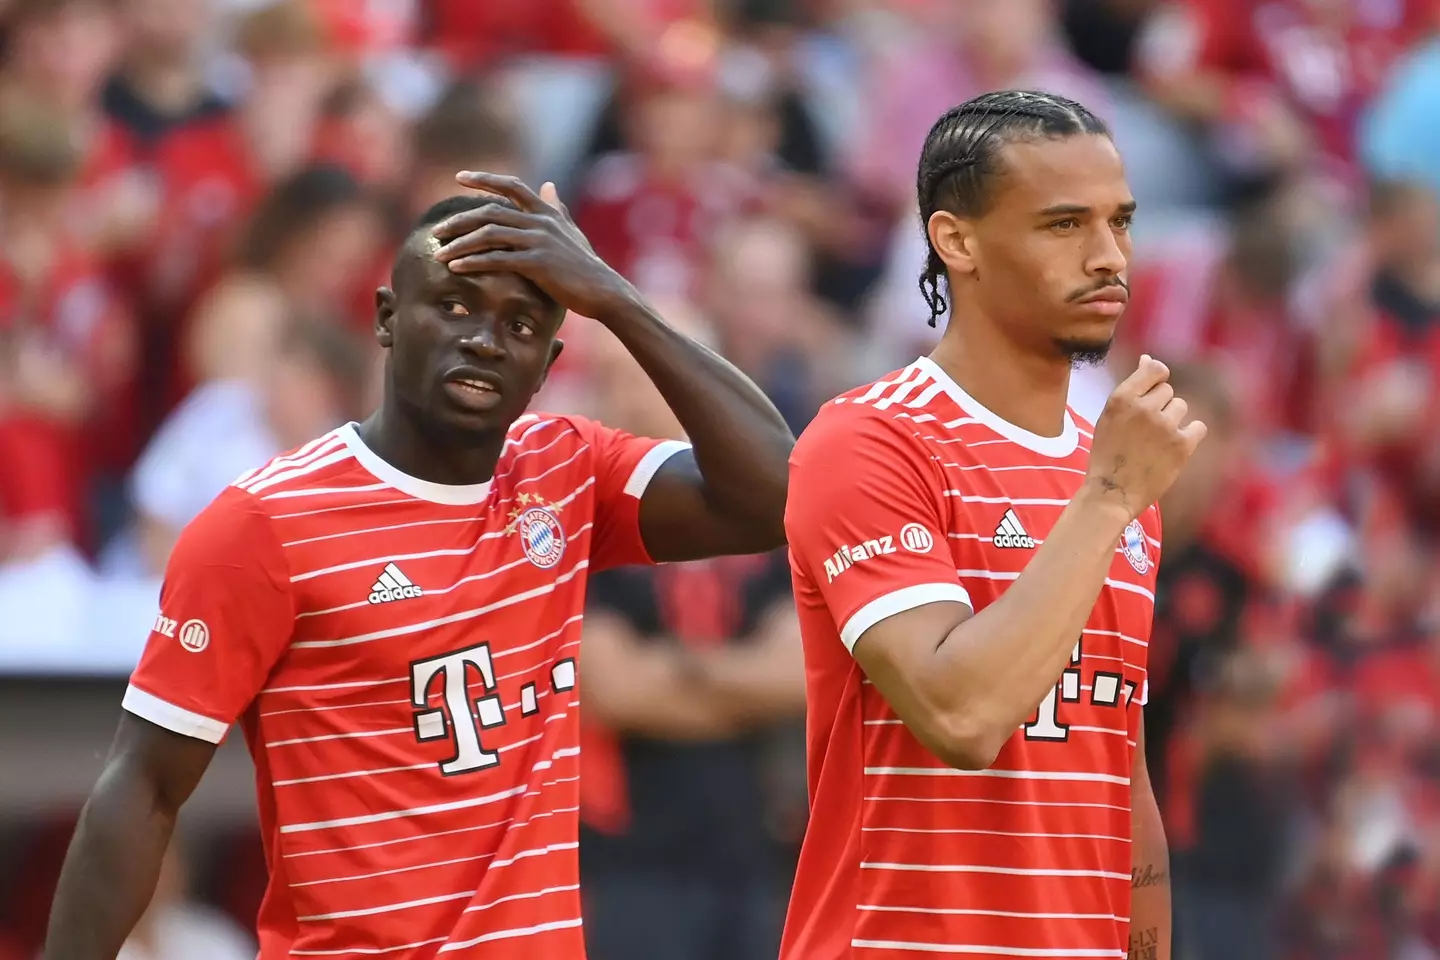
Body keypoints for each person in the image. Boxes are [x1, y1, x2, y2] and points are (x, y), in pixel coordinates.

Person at [42, 172, 794, 959]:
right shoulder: (266, 523)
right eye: (456, 306)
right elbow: (143, 788)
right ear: (388, 319)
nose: (483, 338)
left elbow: (778, 492)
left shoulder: (568, 470)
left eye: (521, 324)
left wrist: (614, 297)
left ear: (546, 364)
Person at [779, 90, 1206, 960]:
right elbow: (961, 712)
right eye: (1062, 225)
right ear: (956, 240)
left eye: (1120, 221)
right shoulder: (871, 440)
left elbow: (1117, 769)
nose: (1108, 256)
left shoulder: (1114, 476)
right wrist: (1109, 497)